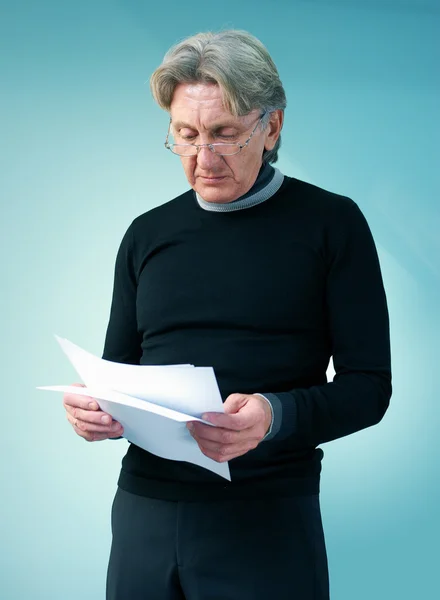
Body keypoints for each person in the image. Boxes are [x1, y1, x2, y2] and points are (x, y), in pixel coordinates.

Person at [63, 30, 392, 600]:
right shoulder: (146, 234)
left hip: (266, 516)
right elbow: (118, 373)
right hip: (145, 511)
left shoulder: (332, 225)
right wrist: (95, 410)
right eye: (185, 136)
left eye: (224, 135)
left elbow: (370, 389)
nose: (202, 159)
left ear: (272, 128)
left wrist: (273, 415)